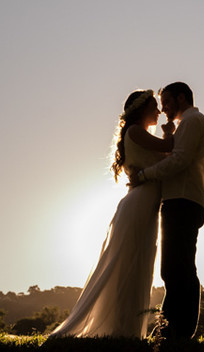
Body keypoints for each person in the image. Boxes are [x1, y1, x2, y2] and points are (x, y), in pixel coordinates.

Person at [51, 90, 174, 338]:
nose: (159, 112)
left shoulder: (138, 133)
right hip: (138, 206)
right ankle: (119, 328)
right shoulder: (135, 132)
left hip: (145, 207)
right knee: (126, 264)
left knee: (139, 265)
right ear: (141, 109)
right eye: (154, 107)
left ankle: (127, 329)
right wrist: (170, 131)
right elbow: (168, 148)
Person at [131, 81, 204, 340]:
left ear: (181, 98)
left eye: (166, 102)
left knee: (179, 268)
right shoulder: (186, 125)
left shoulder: (192, 121)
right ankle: (171, 328)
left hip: (183, 200)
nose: (163, 108)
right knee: (175, 267)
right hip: (183, 199)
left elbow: (179, 161)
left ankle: (177, 331)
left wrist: (143, 175)